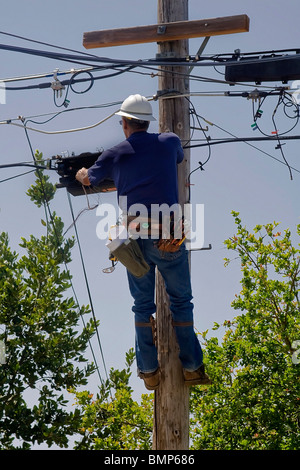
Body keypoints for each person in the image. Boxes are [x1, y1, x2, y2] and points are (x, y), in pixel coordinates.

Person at [76, 94, 211, 390]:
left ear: (124, 124)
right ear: (147, 122)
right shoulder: (170, 142)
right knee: (182, 302)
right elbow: (176, 158)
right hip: (168, 237)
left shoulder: (115, 154)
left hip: (135, 240)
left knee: (141, 306)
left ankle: (149, 371)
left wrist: (83, 172)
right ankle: (192, 367)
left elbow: (88, 180)